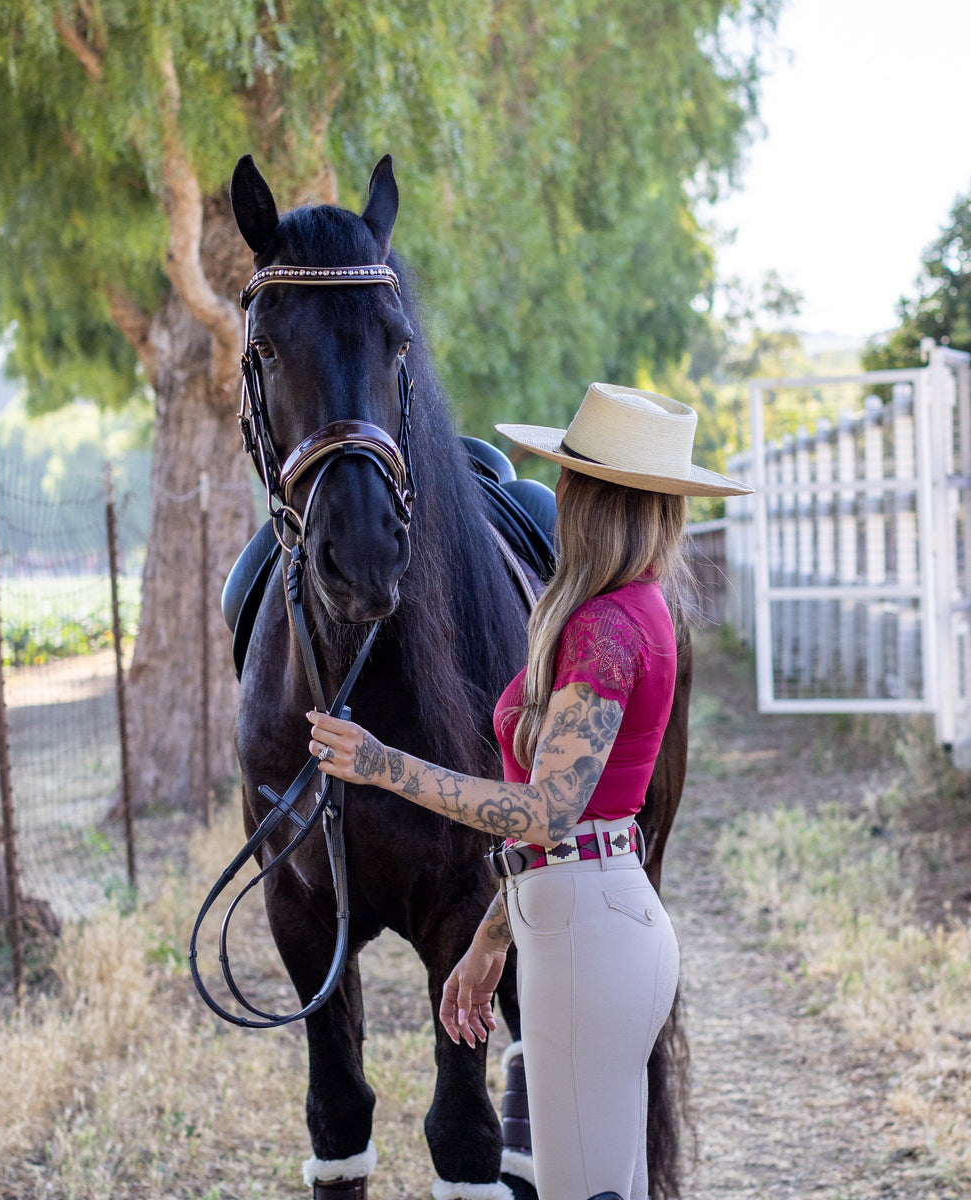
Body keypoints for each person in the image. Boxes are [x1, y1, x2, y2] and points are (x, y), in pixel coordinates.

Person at [307, 383, 752, 1200]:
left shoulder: (606, 628)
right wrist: (489, 940)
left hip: (587, 939)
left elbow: (550, 811)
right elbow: (571, 832)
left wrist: (381, 765)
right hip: (591, 917)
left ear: (594, 499)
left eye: (572, 481)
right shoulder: (630, 610)